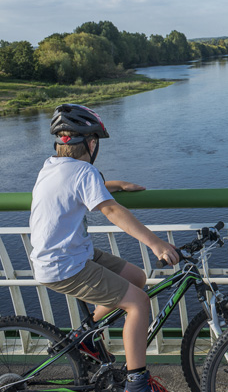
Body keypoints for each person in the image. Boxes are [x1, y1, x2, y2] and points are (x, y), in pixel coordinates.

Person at [29, 104, 179, 392]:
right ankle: (137, 382)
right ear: (91, 143)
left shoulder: (51, 166)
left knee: (136, 278)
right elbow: (111, 211)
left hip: (64, 255)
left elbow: (75, 186)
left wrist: (116, 183)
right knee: (138, 303)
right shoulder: (83, 171)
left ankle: (85, 338)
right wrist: (156, 243)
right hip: (66, 265)